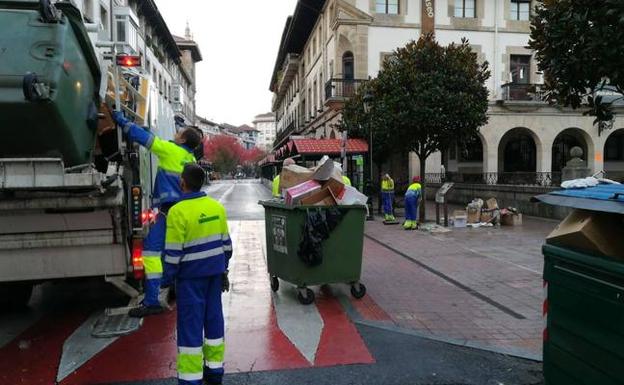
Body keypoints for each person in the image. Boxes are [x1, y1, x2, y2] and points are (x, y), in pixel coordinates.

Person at [113, 111, 201, 318]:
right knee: (177, 252)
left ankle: (152, 300)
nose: (176, 133)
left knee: (151, 253)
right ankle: (173, 285)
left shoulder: (171, 151)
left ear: (183, 139)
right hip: (184, 211)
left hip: (168, 212)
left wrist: (121, 120)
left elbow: (143, 138)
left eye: (180, 132)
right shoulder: (190, 158)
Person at [162, 164, 233, 385]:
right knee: (214, 322)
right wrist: (222, 269)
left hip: (190, 280)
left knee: (190, 328)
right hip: (214, 275)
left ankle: (191, 379)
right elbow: (227, 246)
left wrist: (165, 281)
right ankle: (214, 372)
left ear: (183, 182)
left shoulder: (177, 211)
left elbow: (173, 254)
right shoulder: (216, 208)